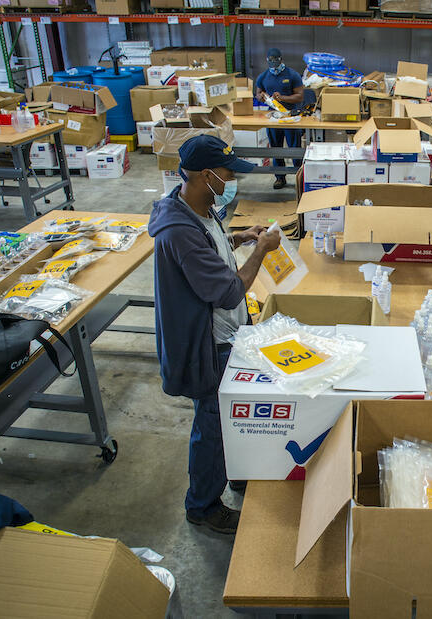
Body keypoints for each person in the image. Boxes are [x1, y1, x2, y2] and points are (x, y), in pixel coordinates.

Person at [148, 135, 281, 534]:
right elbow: (226, 291)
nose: (231, 179)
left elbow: (208, 243)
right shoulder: (179, 232)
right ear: (206, 176)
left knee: (229, 417)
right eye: (227, 173)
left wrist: (236, 238)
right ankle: (203, 505)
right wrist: (261, 251)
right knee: (215, 425)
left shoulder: (198, 209)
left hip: (226, 335)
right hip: (207, 344)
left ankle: (235, 470)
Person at [255, 47, 305, 190]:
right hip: (273, 117)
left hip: (290, 116)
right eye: (270, 62)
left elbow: (300, 96)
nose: (273, 65)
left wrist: (282, 97)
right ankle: (280, 178)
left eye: (276, 62)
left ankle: (299, 177)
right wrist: (262, 97)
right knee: (276, 148)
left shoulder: (292, 75)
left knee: (294, 148)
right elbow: (258, 93)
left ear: (281, 60)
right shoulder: (263, 76)